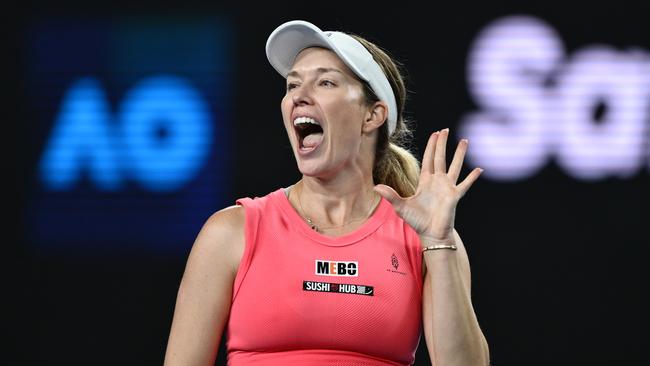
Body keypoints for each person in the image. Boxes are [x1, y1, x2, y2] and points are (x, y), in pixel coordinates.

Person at [164, 20, 490, 366]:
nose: (298, 96)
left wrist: (438, 242)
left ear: (372, 115)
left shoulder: (425, 237)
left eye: (325, 82)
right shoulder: (231, 232)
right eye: (292, 85)